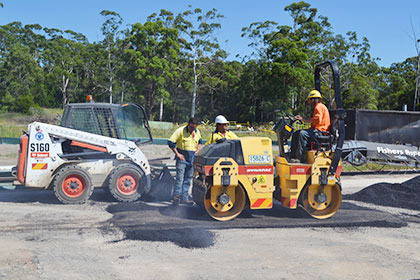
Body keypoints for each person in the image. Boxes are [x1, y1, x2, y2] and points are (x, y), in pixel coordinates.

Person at [168, 117, 203, 206]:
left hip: (191, 160)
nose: (192, 130)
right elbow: (171, 142)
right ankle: (176, 197)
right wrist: (178, 154)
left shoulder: (197, 132)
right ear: (188, 125)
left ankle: (185, 198)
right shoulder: (180, 131)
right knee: (180, 179)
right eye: (191, 127)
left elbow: (200, 142)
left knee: (188, 180)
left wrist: (197, 151)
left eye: (194, 128)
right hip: (182, 159)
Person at [290, 90, 331, 162]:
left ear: (313, 99)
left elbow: (318, 120)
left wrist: (303, 119)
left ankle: (300, 158)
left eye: (309, 100)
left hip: (321, 132)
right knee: (296, 133)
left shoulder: (318, 107)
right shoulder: (318, 107)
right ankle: (292, 155)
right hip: (317, 130)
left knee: (302, 134)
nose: (308, 103)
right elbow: (315, 121)